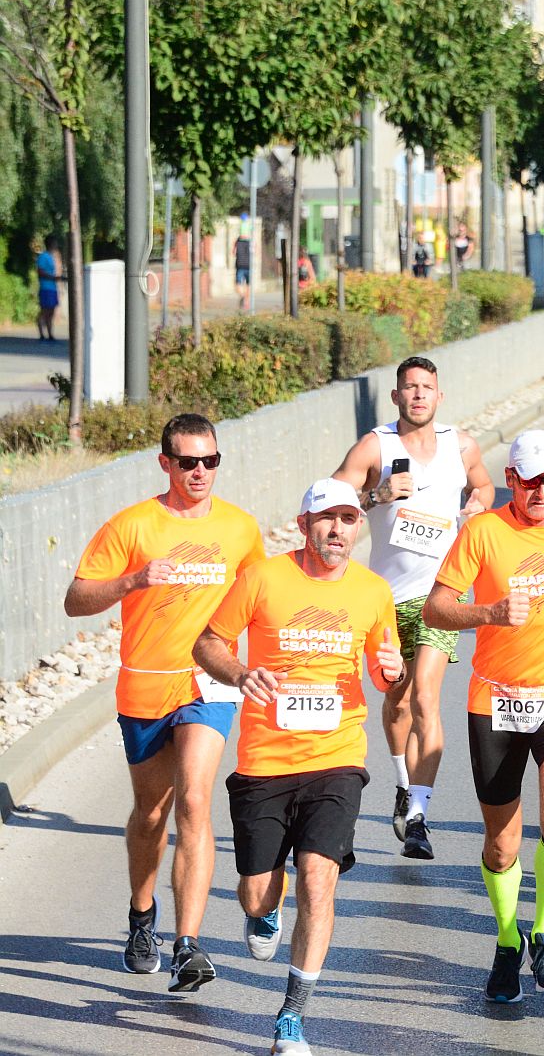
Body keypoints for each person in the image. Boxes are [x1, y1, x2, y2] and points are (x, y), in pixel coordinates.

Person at [192, 478, 401, 1055]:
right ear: (305, 523)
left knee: (317, 877)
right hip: (265, 760)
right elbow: (208, 642)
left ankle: (292, 1015)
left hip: (337, 757)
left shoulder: (373, 590)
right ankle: (265, 914)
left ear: (358, 528)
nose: (338, 529)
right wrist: (241, 674)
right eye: (326, 518)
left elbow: (385, 674)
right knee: (258, 893)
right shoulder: (263, 578)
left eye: (349, 519)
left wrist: (393, 671)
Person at [66, 412, 266, 993]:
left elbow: (264, 599)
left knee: (195, 802)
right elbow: (76, 599)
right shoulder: (132, 525)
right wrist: (132, 581)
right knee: (151, 812)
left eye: (210, 461)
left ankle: (188, 945)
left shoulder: (240, 528)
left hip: (208, 683)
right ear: (165, 463)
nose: (200, 471)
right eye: (188, 461)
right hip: (146, 684)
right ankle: (141, 916)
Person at [424, 430, 544, 1001]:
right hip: (494, 698)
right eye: (530, 480)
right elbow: (436, 609)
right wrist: (488, 612)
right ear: (510, 478)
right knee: (502, 844)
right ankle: (508, 940)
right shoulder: (483, 532)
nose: (541, 492)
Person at [330, 355, 495, 859]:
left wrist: (479, 504)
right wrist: (376, 495)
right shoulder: (375, 446)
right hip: (386, 598)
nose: (419, 394)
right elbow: (330, 503)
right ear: (396, 396)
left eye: (427, 387)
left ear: (439, 396)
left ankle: (420, 814)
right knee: (397, 700)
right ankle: (403, 784)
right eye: (410, 387)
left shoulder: (460, 444)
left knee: (425, 695)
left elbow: (484, 484)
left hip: (441, 594)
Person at [35, 237, 60, 340]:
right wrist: (52, 277)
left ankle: (50, 334)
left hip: (52, 288)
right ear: (51, 244)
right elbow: (40, 271)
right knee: (45, 310)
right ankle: (41, 333)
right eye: (55, 243)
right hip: (46, 287)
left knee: (51, 311)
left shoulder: (50, 257)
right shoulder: (43, 256)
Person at [234, 230, 252, 310]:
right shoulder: (251, 242)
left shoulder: (237, 242)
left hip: (240, 266)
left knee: (238, 285)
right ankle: (245, 301)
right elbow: (256, 252)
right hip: (248, 266)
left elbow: (233, 252)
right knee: (248, 285)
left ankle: (243, 298)